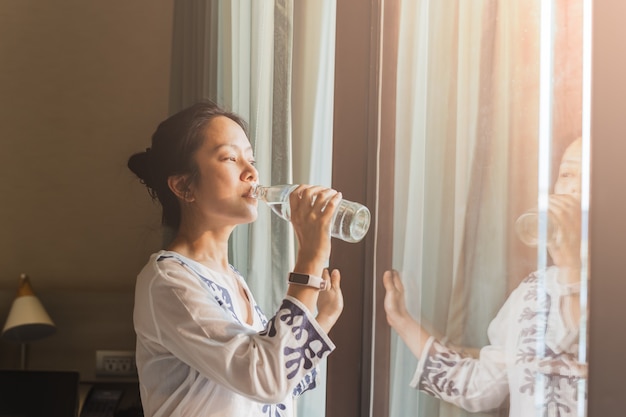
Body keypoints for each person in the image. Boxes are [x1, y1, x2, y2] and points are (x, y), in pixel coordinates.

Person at [127, 100, 344, 417]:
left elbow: (278, 387)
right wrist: (310, 260)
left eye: (251, 159)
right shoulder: (169, 281)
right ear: (184, 185)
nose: (252, 172)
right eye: (230, 158)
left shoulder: (232, 279)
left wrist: (321, 318)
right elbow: (265, 380)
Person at [383, 138, 586, 417]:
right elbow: (481, 388)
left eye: (591, 177)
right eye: (566, 174)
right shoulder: (535, 289)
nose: (574, 188)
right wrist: (402, 320)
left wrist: (572, 266)